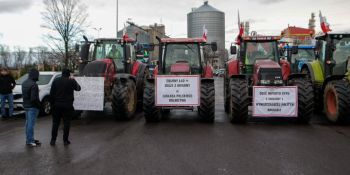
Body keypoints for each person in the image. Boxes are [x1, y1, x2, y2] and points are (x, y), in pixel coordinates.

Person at [50, 68, 81, 146]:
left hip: (56, 105)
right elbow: (78, 88)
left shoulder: (56, 80)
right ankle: (65, 140)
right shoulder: (71, 81)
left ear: (62, 73)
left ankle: (53, 140)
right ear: (69, 74)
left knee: (55, 123)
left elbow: (51, 94)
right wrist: (74, 79)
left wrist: (52, 105)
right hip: (67, 106)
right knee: (66, 123)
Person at [22, 69, 41, 147]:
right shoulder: (34, 84)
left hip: (26, 106)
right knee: (30, 124)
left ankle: (29, 139)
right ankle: (30, 141)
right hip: (32, 107)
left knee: (28, 124)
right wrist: (39, 106)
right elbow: (33, 98)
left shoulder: (24, 83)